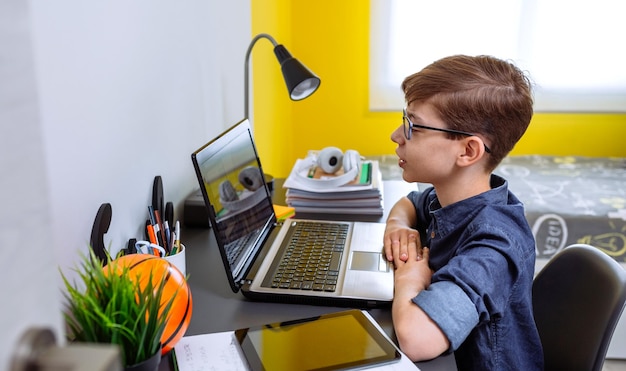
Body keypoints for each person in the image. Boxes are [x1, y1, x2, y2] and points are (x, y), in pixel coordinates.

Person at [384, 55, 544, 370]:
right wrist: (397, 225)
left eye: (412, 126)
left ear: (467, 151)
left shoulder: (494, 245)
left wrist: (410, 279)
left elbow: (417, 339)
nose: (396, 135)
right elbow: (410, 204)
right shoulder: (452, 197)